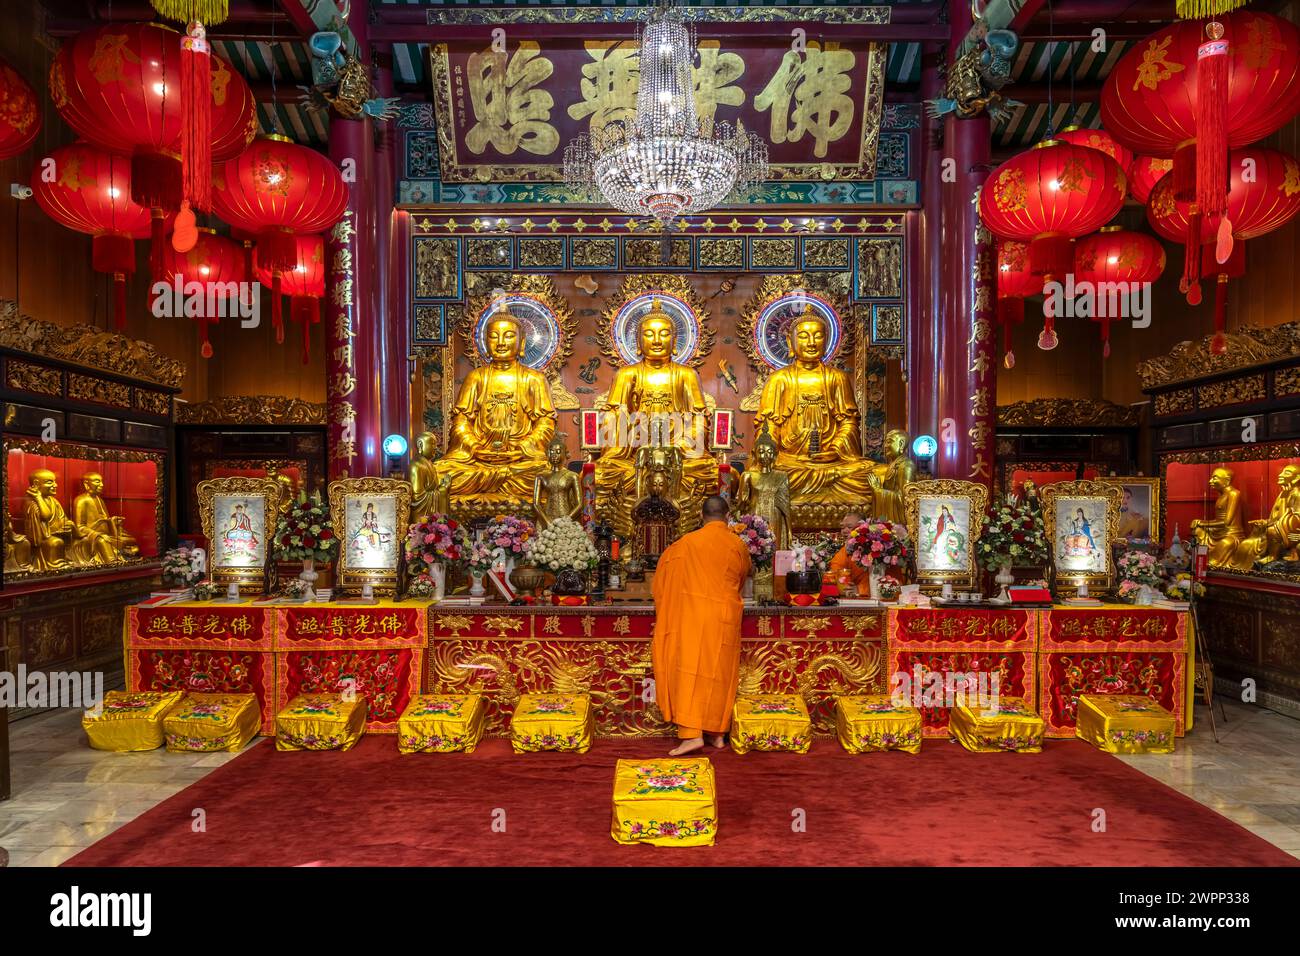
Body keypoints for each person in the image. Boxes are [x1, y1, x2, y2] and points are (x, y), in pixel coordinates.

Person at [651, 495, 752, 756]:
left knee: (689, 672)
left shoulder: (683, 545)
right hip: (724, 618)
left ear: (701, 516)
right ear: (728, 516)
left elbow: (661, 581)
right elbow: (741, 577)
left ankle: (691, 734)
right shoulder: (737, 544)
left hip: (691, 618)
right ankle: (717, 733)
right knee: (719, 673)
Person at [827, 510, 868, 593]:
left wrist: (860, 590)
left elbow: (883, 579)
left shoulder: (876, 548)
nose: (844, 531)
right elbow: (836, 569)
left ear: (863, 528)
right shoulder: (845, 550)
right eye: (842, 527)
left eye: (849, 527)